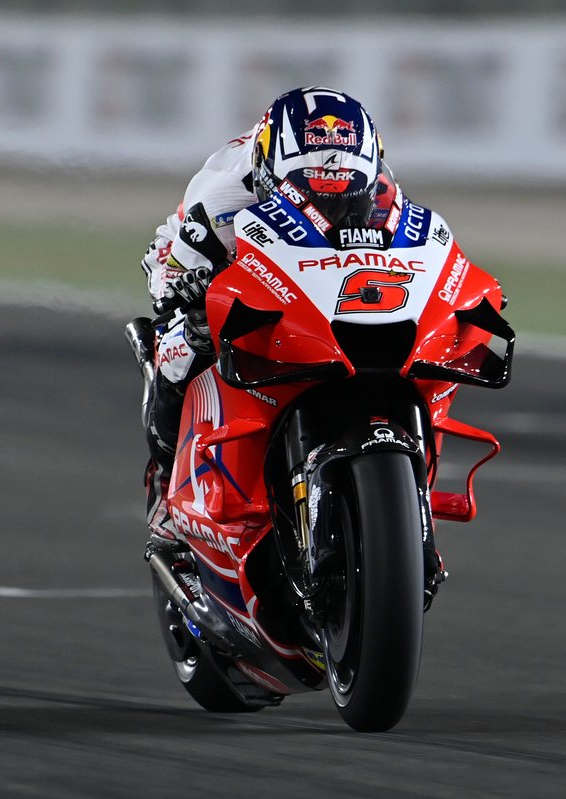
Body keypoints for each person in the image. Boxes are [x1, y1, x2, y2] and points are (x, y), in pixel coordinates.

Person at [126, 86, 401, 541]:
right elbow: (167, 270)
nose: (329, 210)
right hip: (203, 257)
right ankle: (166, 479)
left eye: (343, 199)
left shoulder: (380, 190)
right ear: (268, 175)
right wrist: (188, 288)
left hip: (326, 280)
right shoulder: (221, 201)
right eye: (311, 193)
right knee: (179, 344)